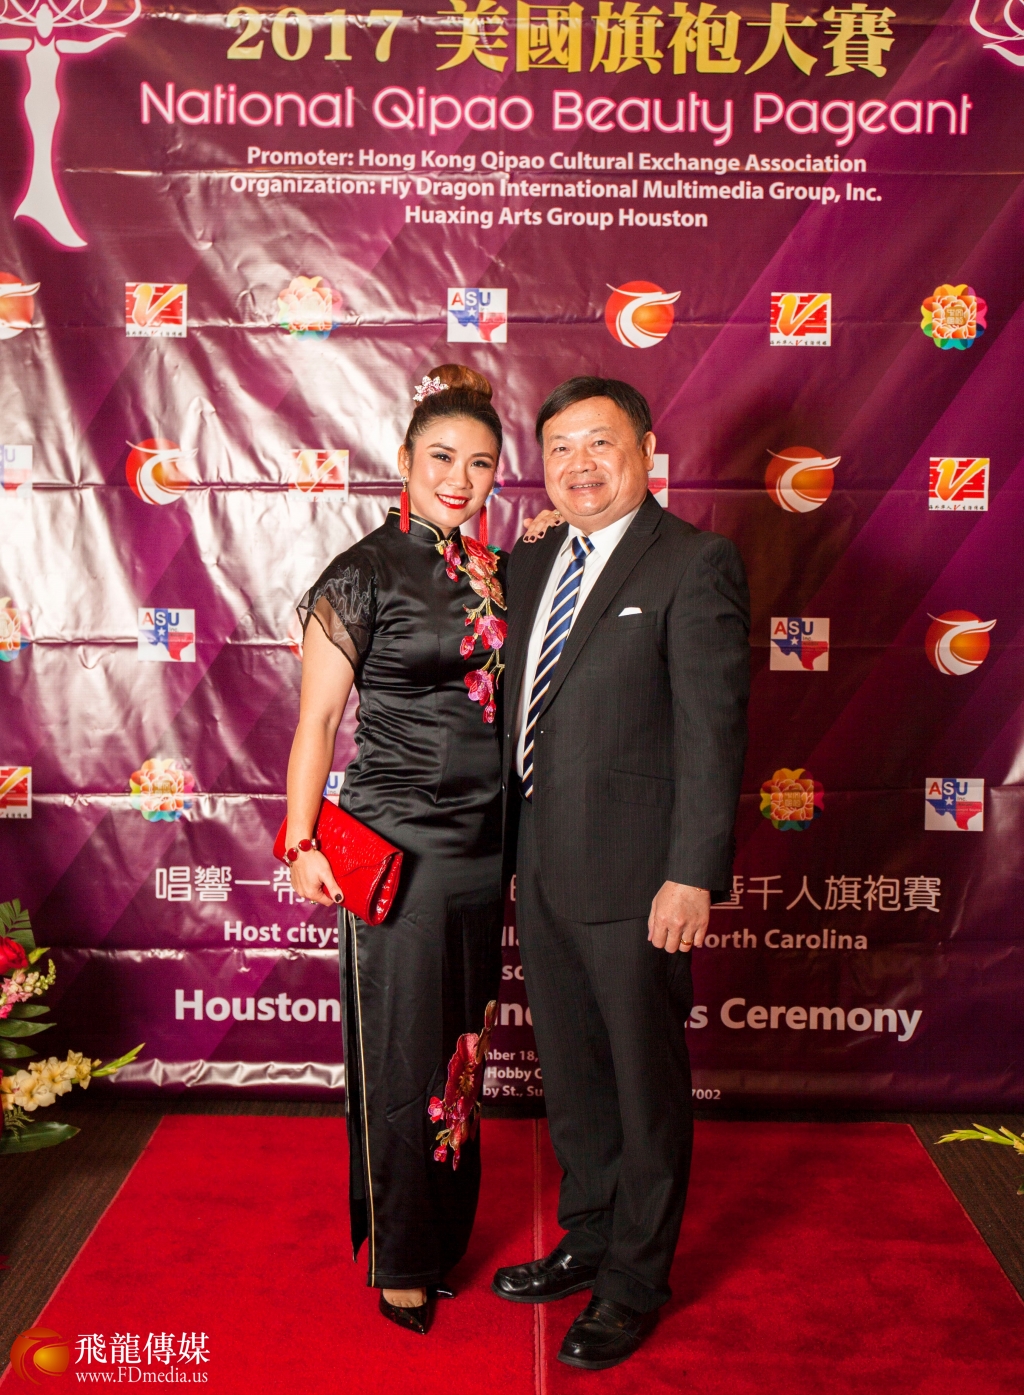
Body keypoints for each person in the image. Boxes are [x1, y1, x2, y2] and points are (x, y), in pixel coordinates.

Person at [492, 377, 750, 1370]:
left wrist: (692, 875)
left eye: (600, 443)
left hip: (641, 882)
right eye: (560, 448)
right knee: (573, 1078)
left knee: (643, 1088)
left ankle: (635, 1281)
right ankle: (589, 1236)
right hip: (542, 869)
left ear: (645, 449)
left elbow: (712, 734)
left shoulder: (693, 562)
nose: (580, 466)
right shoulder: (531, 559)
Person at [285, 364, 508, 1336]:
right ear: (406, 459)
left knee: (463, 1053)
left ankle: (446, 1231)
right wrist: (300, 839)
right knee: (401, 1056)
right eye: (441, 458)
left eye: (480, 464)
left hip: (485, 846)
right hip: (396, 848)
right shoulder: (362, 572)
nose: (460, 479)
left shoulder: (492, 571)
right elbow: (317, 722)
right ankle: (403, 1259)